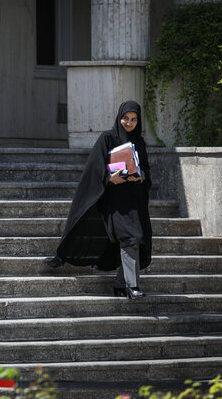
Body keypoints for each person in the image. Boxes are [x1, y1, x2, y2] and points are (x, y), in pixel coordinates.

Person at [45, 100, 153, 299]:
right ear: (119, 117)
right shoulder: (107, 138)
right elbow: (94, 168)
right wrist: (109, 178)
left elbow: (146, 168)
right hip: (114, 200)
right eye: (125, 118)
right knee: (131, 238)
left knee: (137, 240)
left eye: (133, 119)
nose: (129, 123)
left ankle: (122, 283)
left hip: (134, 200)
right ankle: (132, 286)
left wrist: (141, 175)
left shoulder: (139, 142)